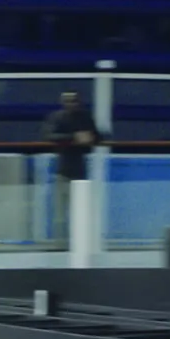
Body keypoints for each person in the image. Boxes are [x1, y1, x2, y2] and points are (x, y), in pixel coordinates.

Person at [42, 91, 103, 234]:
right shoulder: (56, 117)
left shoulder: (85, 117)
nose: (71, 104)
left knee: (82, 209)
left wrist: (90, 138)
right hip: (63, 168)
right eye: (68, 101)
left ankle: (81, 239)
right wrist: (74, 137)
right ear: (62, 103)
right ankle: (60, 242)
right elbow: (49, 136)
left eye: (74, 101)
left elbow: (98, 136)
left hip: (81, 169)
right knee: (60, 210)